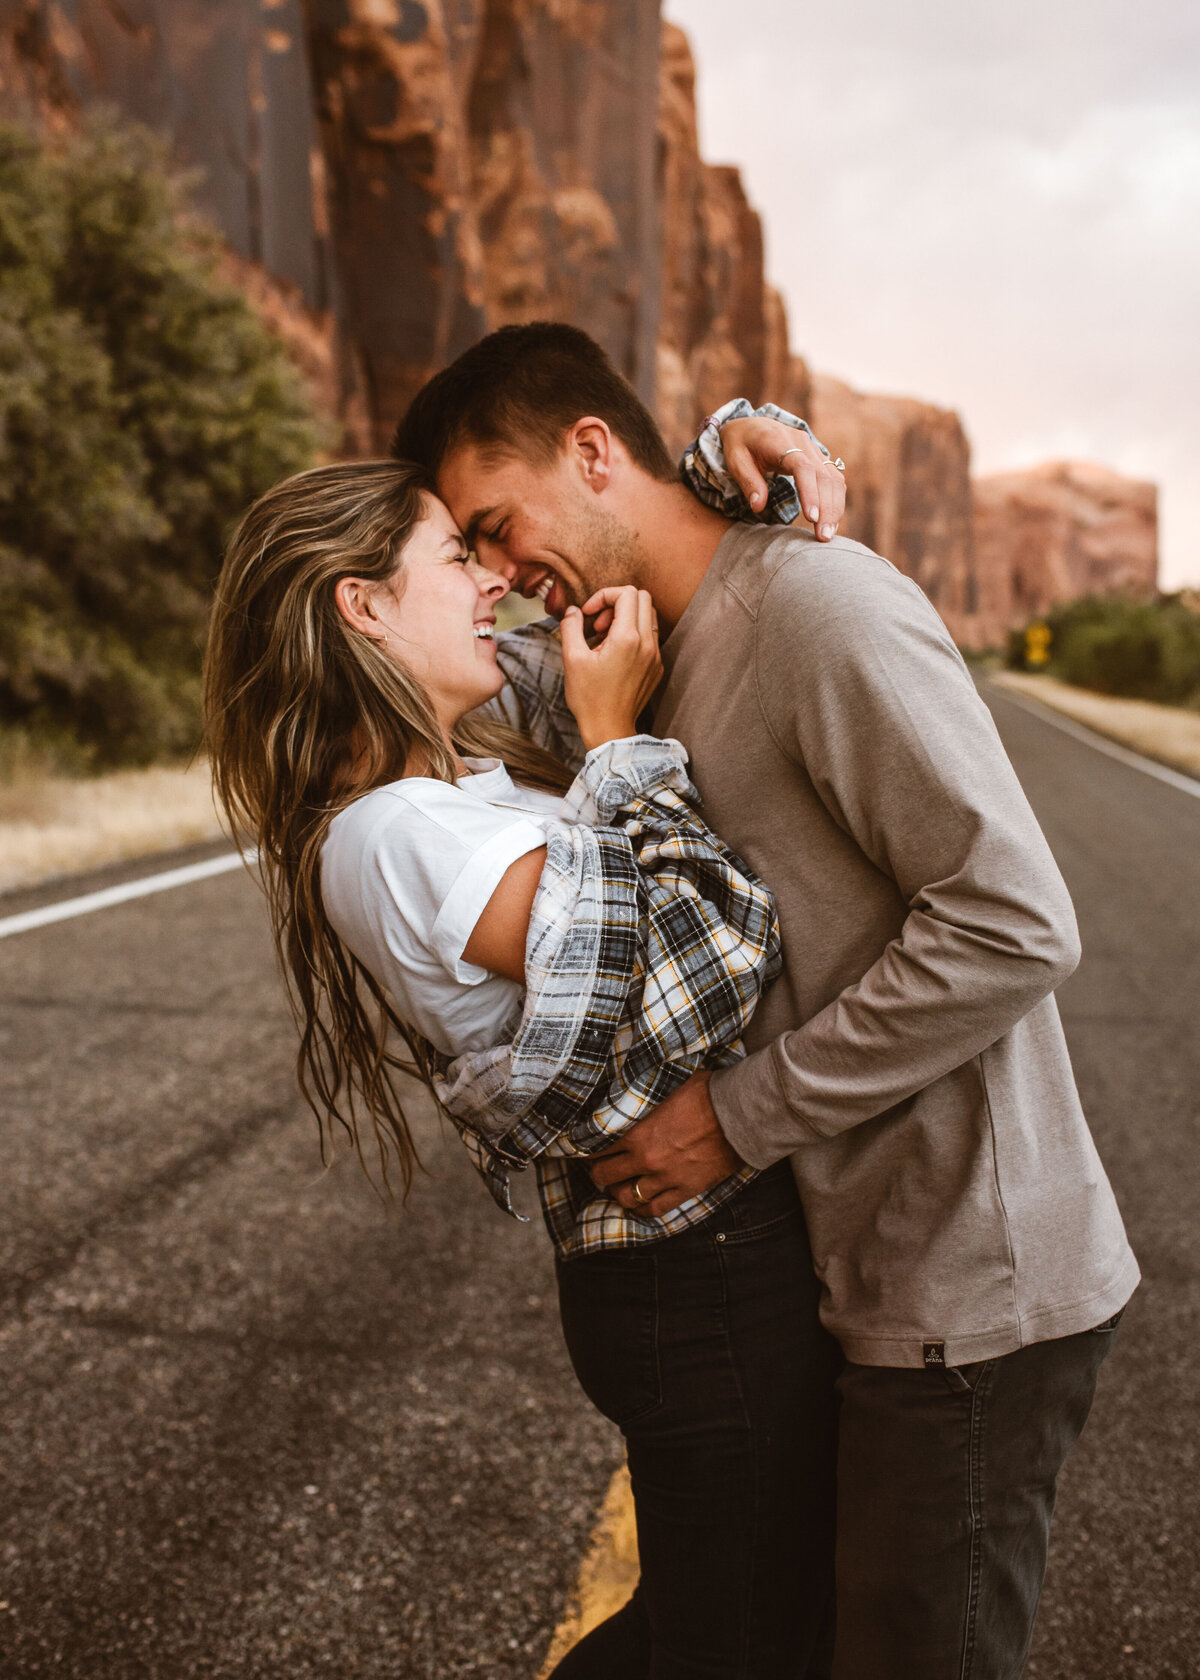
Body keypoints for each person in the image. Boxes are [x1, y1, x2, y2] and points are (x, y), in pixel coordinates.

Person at [392, 322, 1141, 1680]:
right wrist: (728, 430)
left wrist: (735, 1118)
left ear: (590, 452)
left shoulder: (818, 611)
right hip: (860, 1284)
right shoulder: (631, 653)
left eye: (498, 529)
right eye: (477, 556)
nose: (498, 579)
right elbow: (385, 641)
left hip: (972, 1295)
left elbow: (1014, 919)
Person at [201, 457, 844, 1679]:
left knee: (727, 1626)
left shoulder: (459, 791)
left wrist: (723, 450)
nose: (493, 579)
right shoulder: (396, 838)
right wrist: (613, 737)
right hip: (696, 1279)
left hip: (705, 1269)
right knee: (739, 1643)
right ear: (364, 607)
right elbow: (713, 948)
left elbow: (618, 528)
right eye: (456, 558)